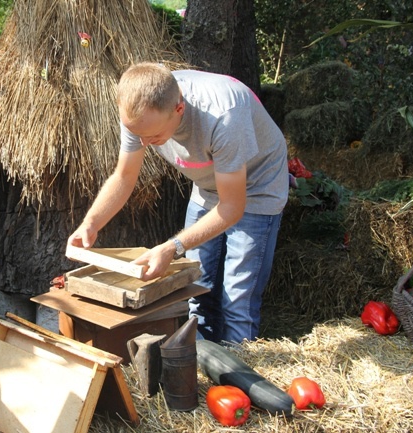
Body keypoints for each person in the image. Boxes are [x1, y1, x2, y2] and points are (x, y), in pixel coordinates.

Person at [67, 62, 289, 344]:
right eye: (139, 136)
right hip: (208, 183)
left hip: (258, 186)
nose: (145, 144)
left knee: (237, 300)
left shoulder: (223, 115)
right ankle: (200, 365)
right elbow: (124, 177)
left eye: (154, 137)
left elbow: (232, 207)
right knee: (195, 287)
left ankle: (234, 375)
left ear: (179, 110)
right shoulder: (139, 113)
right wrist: (91, 223)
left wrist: (173, 247)